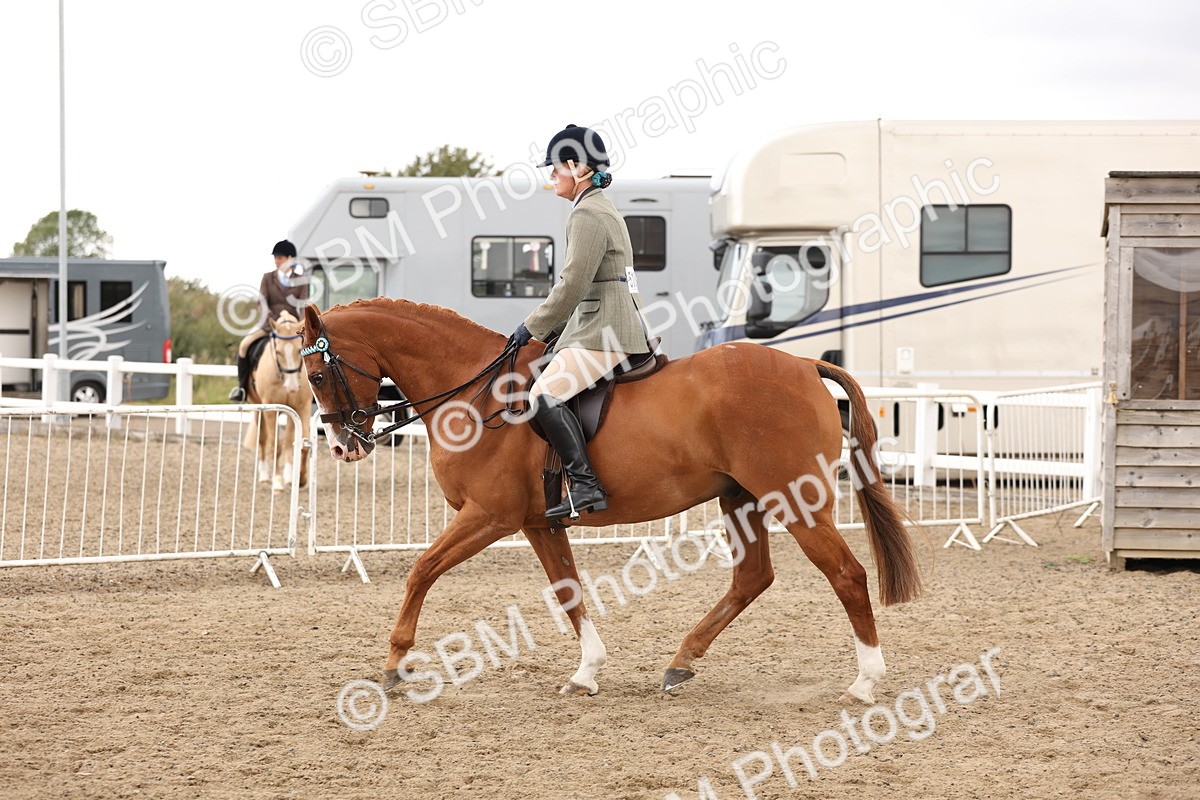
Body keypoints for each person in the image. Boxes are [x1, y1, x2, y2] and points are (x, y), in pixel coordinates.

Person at [511, 124, 651, 524]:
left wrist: (533, 327)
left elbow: (573, 283)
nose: (551, 175)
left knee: (543, 397)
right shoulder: (602, 206)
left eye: (555, 167)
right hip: (601, 322)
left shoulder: (587, 213)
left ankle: (586, 485)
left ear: (579, 167)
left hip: (603, 331)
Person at [228, 240, 309, 402]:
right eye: (276, 258)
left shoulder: (302, 280)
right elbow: (262, 302)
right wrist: (273, 320)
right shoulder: (267, 278)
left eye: (280, 257)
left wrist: (299, 324)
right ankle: (242, 388)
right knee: (244, 345)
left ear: (290, 258)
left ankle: (315, 387)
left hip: (294, 328)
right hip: (271, 325)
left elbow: (302, 306)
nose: (276, 261)